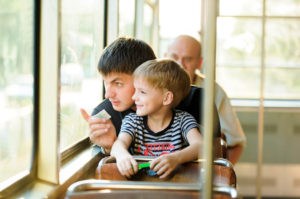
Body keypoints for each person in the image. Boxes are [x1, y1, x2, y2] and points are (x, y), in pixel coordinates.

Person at [80, 37, 220, 155]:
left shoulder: (198, 100)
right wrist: (109, 147)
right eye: (106, 83)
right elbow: (101, 171)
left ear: (143, 76)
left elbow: (216, 159)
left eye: (118, 83)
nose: (108, 94)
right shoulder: (104, 115)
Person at [111, 59, 202, 179]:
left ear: (166, 98)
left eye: (142, 92)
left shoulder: (183, 120)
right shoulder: (133, 121)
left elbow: (201, 146)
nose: (134, 97)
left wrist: (176, 158)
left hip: (175, 185)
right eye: (135, 90)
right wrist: (122, 155)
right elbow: (119, 143)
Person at [165, 34, 246, 165]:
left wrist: (219, 177)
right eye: (174, 57)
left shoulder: (214, 91)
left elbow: (236, 143)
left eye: (188, 59)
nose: (180, 64)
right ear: (164, 57)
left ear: (199, 63)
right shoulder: (148, 88)